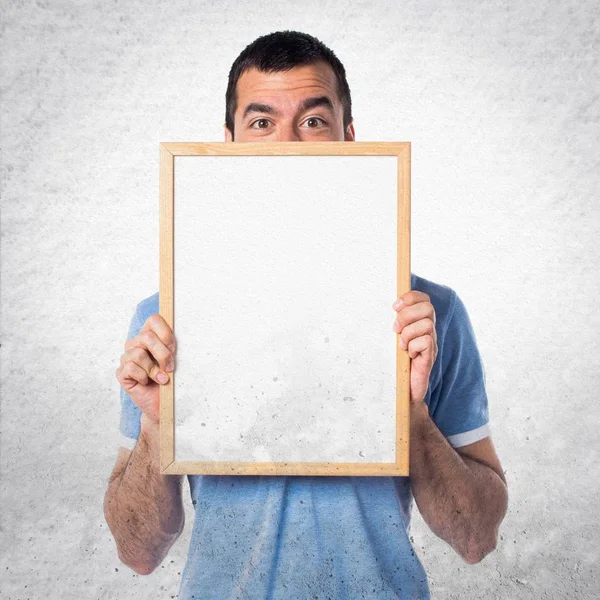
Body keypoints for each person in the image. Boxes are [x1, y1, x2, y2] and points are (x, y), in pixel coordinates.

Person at [104, 30, 508, 599]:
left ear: (349, 138)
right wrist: (156, 424)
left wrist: (410, 416)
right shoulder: (164, 320)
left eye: (314, 121)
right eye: (261, 122)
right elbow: (138, 552)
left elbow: (477, 537)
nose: (288, 144)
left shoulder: (429, 316)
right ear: (227, 144)